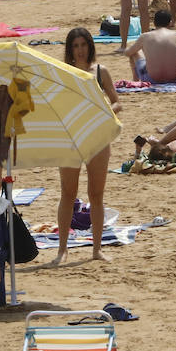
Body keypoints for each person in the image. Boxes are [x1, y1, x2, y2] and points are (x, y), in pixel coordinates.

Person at [56, 28, 120, 264]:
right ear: (70, 49)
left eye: (83, 45)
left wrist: (104, 113)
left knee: (96, 194)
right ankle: (63, 250)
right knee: (68, 193)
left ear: (90, 46)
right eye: (75, 46)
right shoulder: (64, 73)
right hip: (71, 137)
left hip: (98, 137)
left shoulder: (101, 71)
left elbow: (116, 102)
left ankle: (96, 249)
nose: (80, 50)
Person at [123, 9, 176, 84]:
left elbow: (128, 53)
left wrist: (127, 49)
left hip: (151, 78)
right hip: (173, 78)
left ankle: (136, 80)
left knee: (134, 52)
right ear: (170, 23)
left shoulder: (145, 36)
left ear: (154, 23)